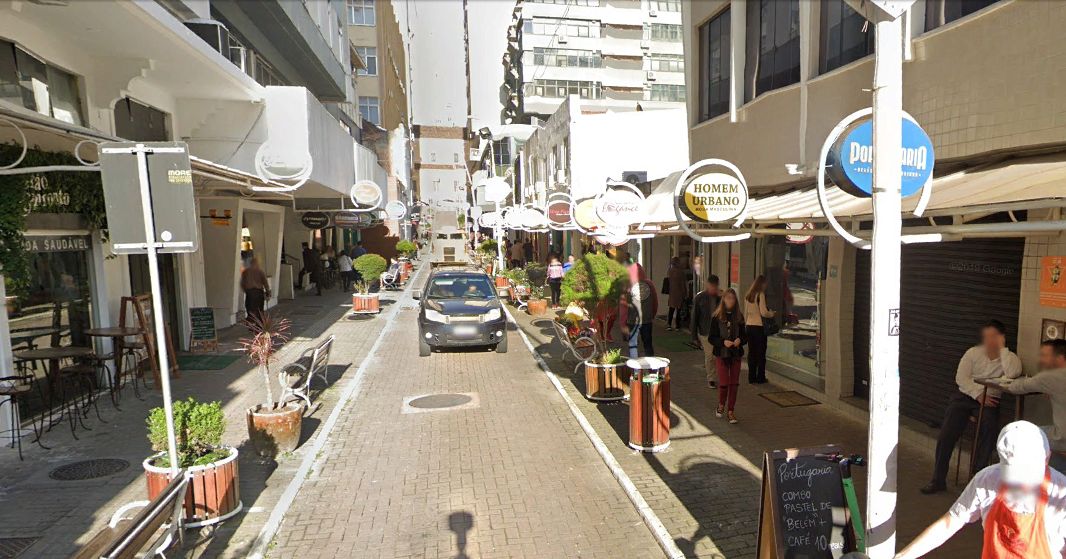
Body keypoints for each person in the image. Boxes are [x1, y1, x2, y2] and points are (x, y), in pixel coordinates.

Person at [896, 421, 1066, 559]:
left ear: (1047, 458)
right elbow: (950, 523)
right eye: (1017, 475)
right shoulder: (986, 480)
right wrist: (903, 556)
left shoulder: (1061, 493)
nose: (1023, 482)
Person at [922, 320, 1023, 494]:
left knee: (989, 430)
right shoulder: (973, 353)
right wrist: (978, 394)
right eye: (987, 336)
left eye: (994, 336)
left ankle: (976, 479)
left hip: (991, 399)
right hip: (966, 396)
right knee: (947, 433)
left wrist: (1002, 350)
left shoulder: (1009, 358)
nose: (989, 340)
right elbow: (961, 378)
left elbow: (1013, 373)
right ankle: (938, 479)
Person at [1003, 339, 1066, 472]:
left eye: (1045, 356)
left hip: (1062, 438)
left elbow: (1015, 387)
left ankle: (1019, 477)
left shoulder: (1051, 377)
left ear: (1060, 358)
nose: (1041, 360)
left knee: (1019, 435)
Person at [708, 288, 746, 424]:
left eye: (733, 298)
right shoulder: (717, 317)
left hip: (735, 354)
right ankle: (721, 404)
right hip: (722, 354)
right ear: (723, 300)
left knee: (734, 384)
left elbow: (745, 336)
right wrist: (723, 342)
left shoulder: (739, 317)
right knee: (724, 383)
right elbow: (711, 338)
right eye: (728, 298)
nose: (730, 301)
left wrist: (740, 340)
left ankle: (731, 411)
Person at [619, 263, 657, 359]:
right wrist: (652, 314)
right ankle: (650, 365)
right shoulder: (649, 284)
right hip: (646, 319)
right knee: (648, 344)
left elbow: (623, 307)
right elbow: (655, 301)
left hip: (632, 320)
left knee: (633, 344)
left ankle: (634, 366)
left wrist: (623, 323)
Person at [743, 275, 775, 384]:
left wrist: (746, 325)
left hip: (749, 326)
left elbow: (745, 312)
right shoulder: (760, 294)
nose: (766, 286)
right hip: (759, 327)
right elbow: (763, 312)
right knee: (761, 353)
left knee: (752, 353)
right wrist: (771, 314)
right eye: (765, 283)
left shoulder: (748, 295)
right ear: (762, 284)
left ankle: (751, 377)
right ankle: (760, 377)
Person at [691, 275, 721, 389]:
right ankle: (711, 378)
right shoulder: (700, 298)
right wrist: (694, 336)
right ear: (708, 285)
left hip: (718, 331)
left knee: (717, 355)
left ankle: (717, 376)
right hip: (705, 331)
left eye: (715, 286)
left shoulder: (720, 298)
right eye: (711, 286)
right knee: (710, 356)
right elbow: (694, 317)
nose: (713, 288)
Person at [240, 257, 270, 325]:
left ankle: (251, 324)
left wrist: (246, 290)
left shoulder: (246, 272)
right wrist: (268, 292)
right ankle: (259, 324)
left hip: (250, 293)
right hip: (259, 293)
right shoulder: (260, 271)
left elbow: (242, 283)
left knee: (250, 309)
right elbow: (265, 282)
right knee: (260, 310)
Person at [665, 257, 688, 331]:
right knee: (678, 310)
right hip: (679, 293)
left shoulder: (670, 271)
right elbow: (683, 284)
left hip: (672, 293)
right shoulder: (681, 272)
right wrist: (685, 293)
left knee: (671, 309)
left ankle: (669, 324)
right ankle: (677, 325)